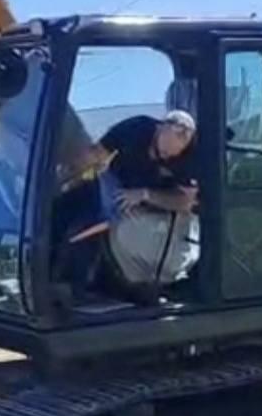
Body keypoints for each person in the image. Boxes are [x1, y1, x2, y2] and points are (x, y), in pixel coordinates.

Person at [53, 110, 199, 300]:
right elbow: (96, 154)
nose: (164, 158)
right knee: (71, 202)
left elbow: (185, 201)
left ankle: (76, 288)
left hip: (155, 210)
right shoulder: (135, 128)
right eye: (161, 152)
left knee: (92, 225)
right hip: (115, 185)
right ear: (161, 127)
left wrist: (145, 195)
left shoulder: (188, 157)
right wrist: (62, 176)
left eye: (170, 156)